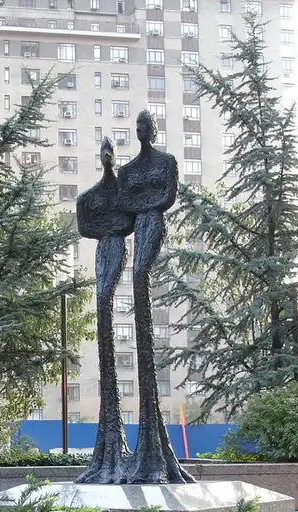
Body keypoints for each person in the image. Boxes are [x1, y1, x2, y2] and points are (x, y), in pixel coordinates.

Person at [116, 109, 194, 484]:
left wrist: (144, 200)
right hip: (141, 222)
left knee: (140, 274)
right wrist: (143, 200)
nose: (140, 131)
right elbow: (125, 203)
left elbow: (166, 196)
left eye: (144, 126)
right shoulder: (128, 170)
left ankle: (156, 451)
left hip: (153, 224)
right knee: (136, 277)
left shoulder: (167, 161)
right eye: (137, 127)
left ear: (154, 130)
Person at [74, 138, 134, 484]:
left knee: (106, 298)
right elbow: (85, 226)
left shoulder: (122, 192)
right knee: (101, 301)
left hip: (116, 247)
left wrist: (111, 227)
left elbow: (127, 221)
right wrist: (109, 226)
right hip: (103, 249)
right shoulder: (89, 197)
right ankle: (107, 452)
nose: (108, 157)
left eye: (111, 152)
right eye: (104, 153)